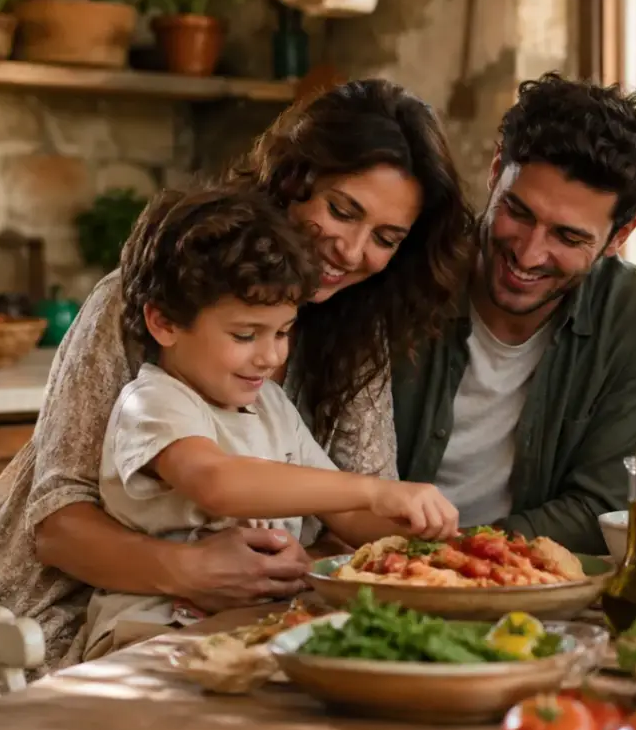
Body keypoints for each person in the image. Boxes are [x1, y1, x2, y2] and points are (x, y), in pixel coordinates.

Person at [0, 79, 474, 699]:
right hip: (48, 631)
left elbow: (349, 517)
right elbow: (59, 527)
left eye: (386, 239)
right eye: (342, 210)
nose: (352, 250)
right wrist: (192, 570)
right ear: (293, 178)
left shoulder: (350, 336)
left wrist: (438, 547)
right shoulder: (155, 307)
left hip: (231, 626)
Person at [83, 188, 458, 659]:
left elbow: (344, 514)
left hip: (256, 628)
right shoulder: (155, 401)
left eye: (283, 332)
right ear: (165, 324)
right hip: (150, 631)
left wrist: (424, 537)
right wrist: (375, 490)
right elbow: (216, 482)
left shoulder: (272, 406)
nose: (270, 356)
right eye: (245, 335)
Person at [391, 72, 636, 555]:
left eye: (568, 237)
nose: (528, 254)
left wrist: (453, 559)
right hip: (368, 563)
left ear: (621, 234)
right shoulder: (405, 267)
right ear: (495, 170)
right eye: (518, 212)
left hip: (526, 580)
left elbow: (607, 508)